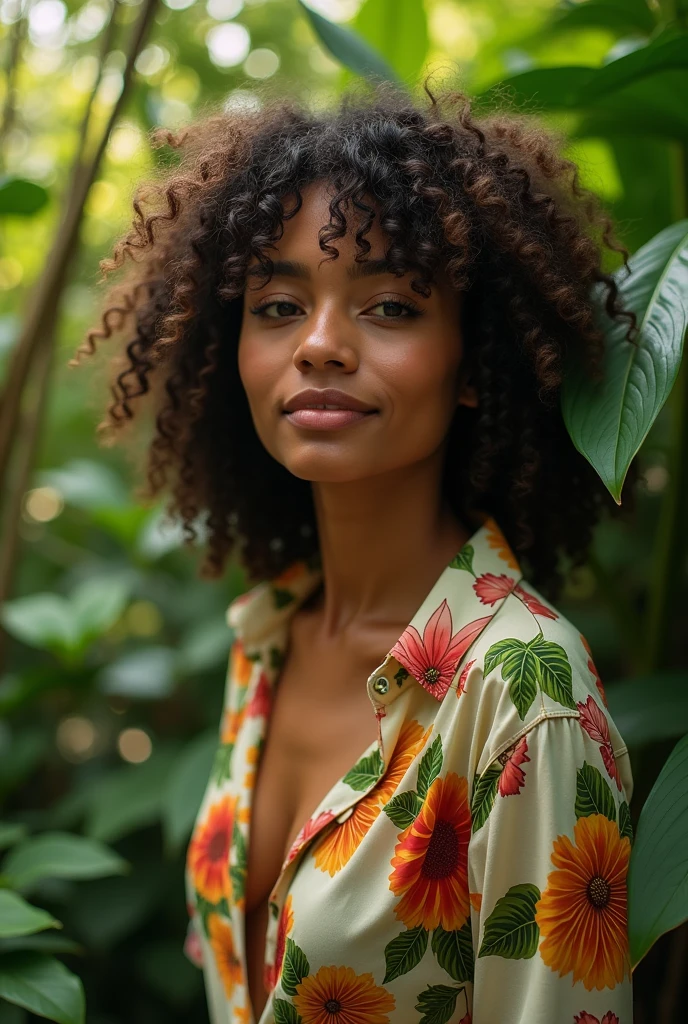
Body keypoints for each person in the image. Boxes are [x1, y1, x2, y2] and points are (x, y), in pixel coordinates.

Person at [72, 77, 639, 1024]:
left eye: (390, 307)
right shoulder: (269, 634)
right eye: (279, 306)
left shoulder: (523, 690)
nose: (322, 345)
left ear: (474, 361)